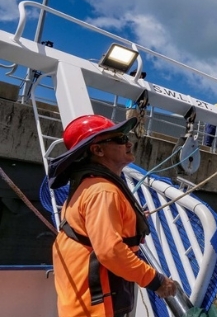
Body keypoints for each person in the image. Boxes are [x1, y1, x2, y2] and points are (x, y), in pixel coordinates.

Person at [48, 115, 176, 316]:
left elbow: (89, 231)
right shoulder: (103, 192)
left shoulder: (87, 186)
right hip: (97, 307)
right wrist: (156, 281)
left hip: (81, 303)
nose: (129, 142)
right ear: (97, 150)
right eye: (120, 139)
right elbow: (110, 251)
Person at [125, 70, 148, 138]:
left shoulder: (144, 85)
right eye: (137, 74)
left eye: (141, 75)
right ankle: (129, 134)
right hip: (132, 106)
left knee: (141, 124)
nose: (139, 76)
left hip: (142, 108)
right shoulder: (130, 83)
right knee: (130, 122)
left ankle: (139, 135)